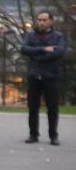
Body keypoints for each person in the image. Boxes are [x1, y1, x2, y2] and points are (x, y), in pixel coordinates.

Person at [21, 10, 66, 146]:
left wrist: (37, 56)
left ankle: (53, 136)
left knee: (52, 108)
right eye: (39, 20)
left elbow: (59, 52)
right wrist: (44, 49)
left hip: (51, 76)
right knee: (33, 107)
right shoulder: (31, 35)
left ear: (51, 21)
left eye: (44, 20)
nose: (41, 22)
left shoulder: (58, 36)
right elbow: (24, 49)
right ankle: (33, 135)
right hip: (34, 75)